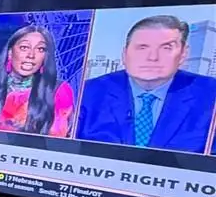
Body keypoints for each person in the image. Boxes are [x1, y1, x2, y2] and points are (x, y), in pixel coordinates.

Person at [74, 14, 216, 153]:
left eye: (166, 48)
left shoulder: (211, 95)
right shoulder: (86, 93)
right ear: (124, 54)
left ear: (183, 54)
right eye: (142, 47)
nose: (152, 57)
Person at [0, 24, 76, 136]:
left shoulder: (59, 91)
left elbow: (60, 137)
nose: (31, 55)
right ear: (10, 53)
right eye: (24, 47)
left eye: (40, 49)